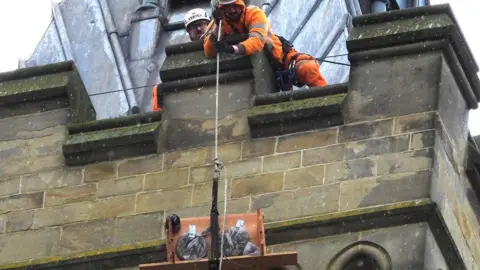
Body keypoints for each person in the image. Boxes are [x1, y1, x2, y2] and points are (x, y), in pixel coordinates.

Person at [203, 0, 328, 90]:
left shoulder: (254, 13)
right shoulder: (220, 23)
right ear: (220, 9)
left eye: (234, 5)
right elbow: (209, 51)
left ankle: (328, 99)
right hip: (266, 71)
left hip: (282, 59)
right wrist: (218, 25)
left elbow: (257, 41)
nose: (231, 10)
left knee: (307, 67)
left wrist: (233, 48)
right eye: (227, 7)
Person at [152, 8, 211, 112]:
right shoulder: (184, 54)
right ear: (188, 31)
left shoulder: (219, 40)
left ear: (208, 24)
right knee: (159, 89)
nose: (198, 28)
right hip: (192, 93)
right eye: (194, 26)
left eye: (201, 24)